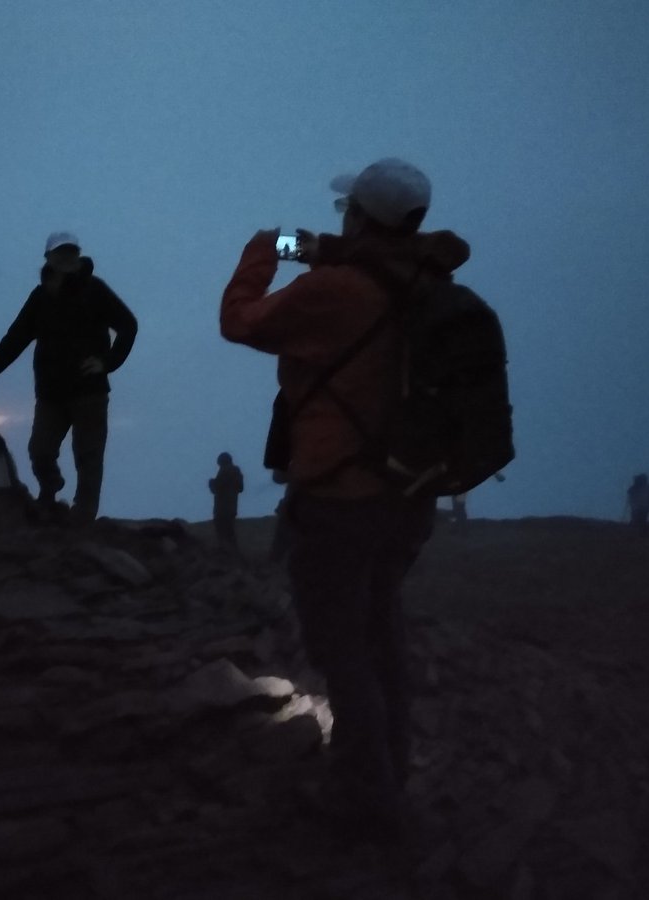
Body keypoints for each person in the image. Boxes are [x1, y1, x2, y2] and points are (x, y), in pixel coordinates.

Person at [220, 158, 472, 841]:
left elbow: (239, 321)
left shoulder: (337, 290)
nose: (339, 221)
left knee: (342, 647)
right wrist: (294, 244)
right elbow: (339, 253)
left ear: (360, 214)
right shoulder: (422, 276)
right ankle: (390, 771)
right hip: (406, 496)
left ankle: (365, 796)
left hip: (340, 497)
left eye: (346, 211)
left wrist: (257, 252)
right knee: (382, 631)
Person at [0, 231, 137, 526]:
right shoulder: (40, 296)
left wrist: (107, 363)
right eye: (60, 253)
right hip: (50, 393)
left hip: (89, 391)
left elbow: (128, 326)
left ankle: (82, 517)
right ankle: (50, 489)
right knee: (40, 451)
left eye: (71, 252)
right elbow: (16, 338)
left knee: (88, 455)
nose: (66, 257)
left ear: (78, 255)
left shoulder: (95, 290)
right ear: (49, 258)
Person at [208, 452, 244, 547]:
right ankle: (230, 553)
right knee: (229, 532)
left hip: (222, 507)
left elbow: (217, 488)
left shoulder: (225, 471)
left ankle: (227, 554)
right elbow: (240, 488)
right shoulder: (235, 471)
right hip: (231, 506)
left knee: (223, 533)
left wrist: (212, 483)